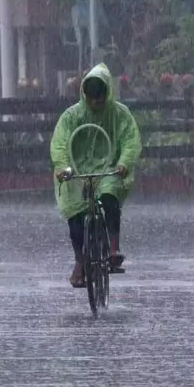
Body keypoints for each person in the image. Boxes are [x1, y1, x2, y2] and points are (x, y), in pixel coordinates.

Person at [51, 63, 141, 288]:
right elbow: (60, 142)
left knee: (109, 197)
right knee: (75, 220)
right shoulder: (72, 116)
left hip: (108, 168)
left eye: (99, 98)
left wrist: (123, 163)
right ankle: (80, 262)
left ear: (107, 94)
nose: (95, 103)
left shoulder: (119, 114)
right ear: (84, 95)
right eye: (91, 98)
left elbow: (130, 140)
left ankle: (113, 248)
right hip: (76, 171)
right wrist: (62, 166)